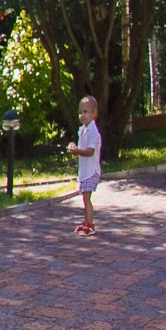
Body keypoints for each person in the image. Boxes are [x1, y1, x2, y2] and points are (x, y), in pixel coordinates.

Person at [68, 94, 102, 235]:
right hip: (85, 170)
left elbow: (90, 151)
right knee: (84, 197)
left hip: (91, 171)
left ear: (94, 113)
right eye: (80, 112)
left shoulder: (93, 132)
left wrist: (77, 152)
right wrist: (74, 147)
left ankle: (90, 224)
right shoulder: (82, 130)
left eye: (86, 112)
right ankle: (86, 222)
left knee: (86, 198)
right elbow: (82, 147)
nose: (82, 115)